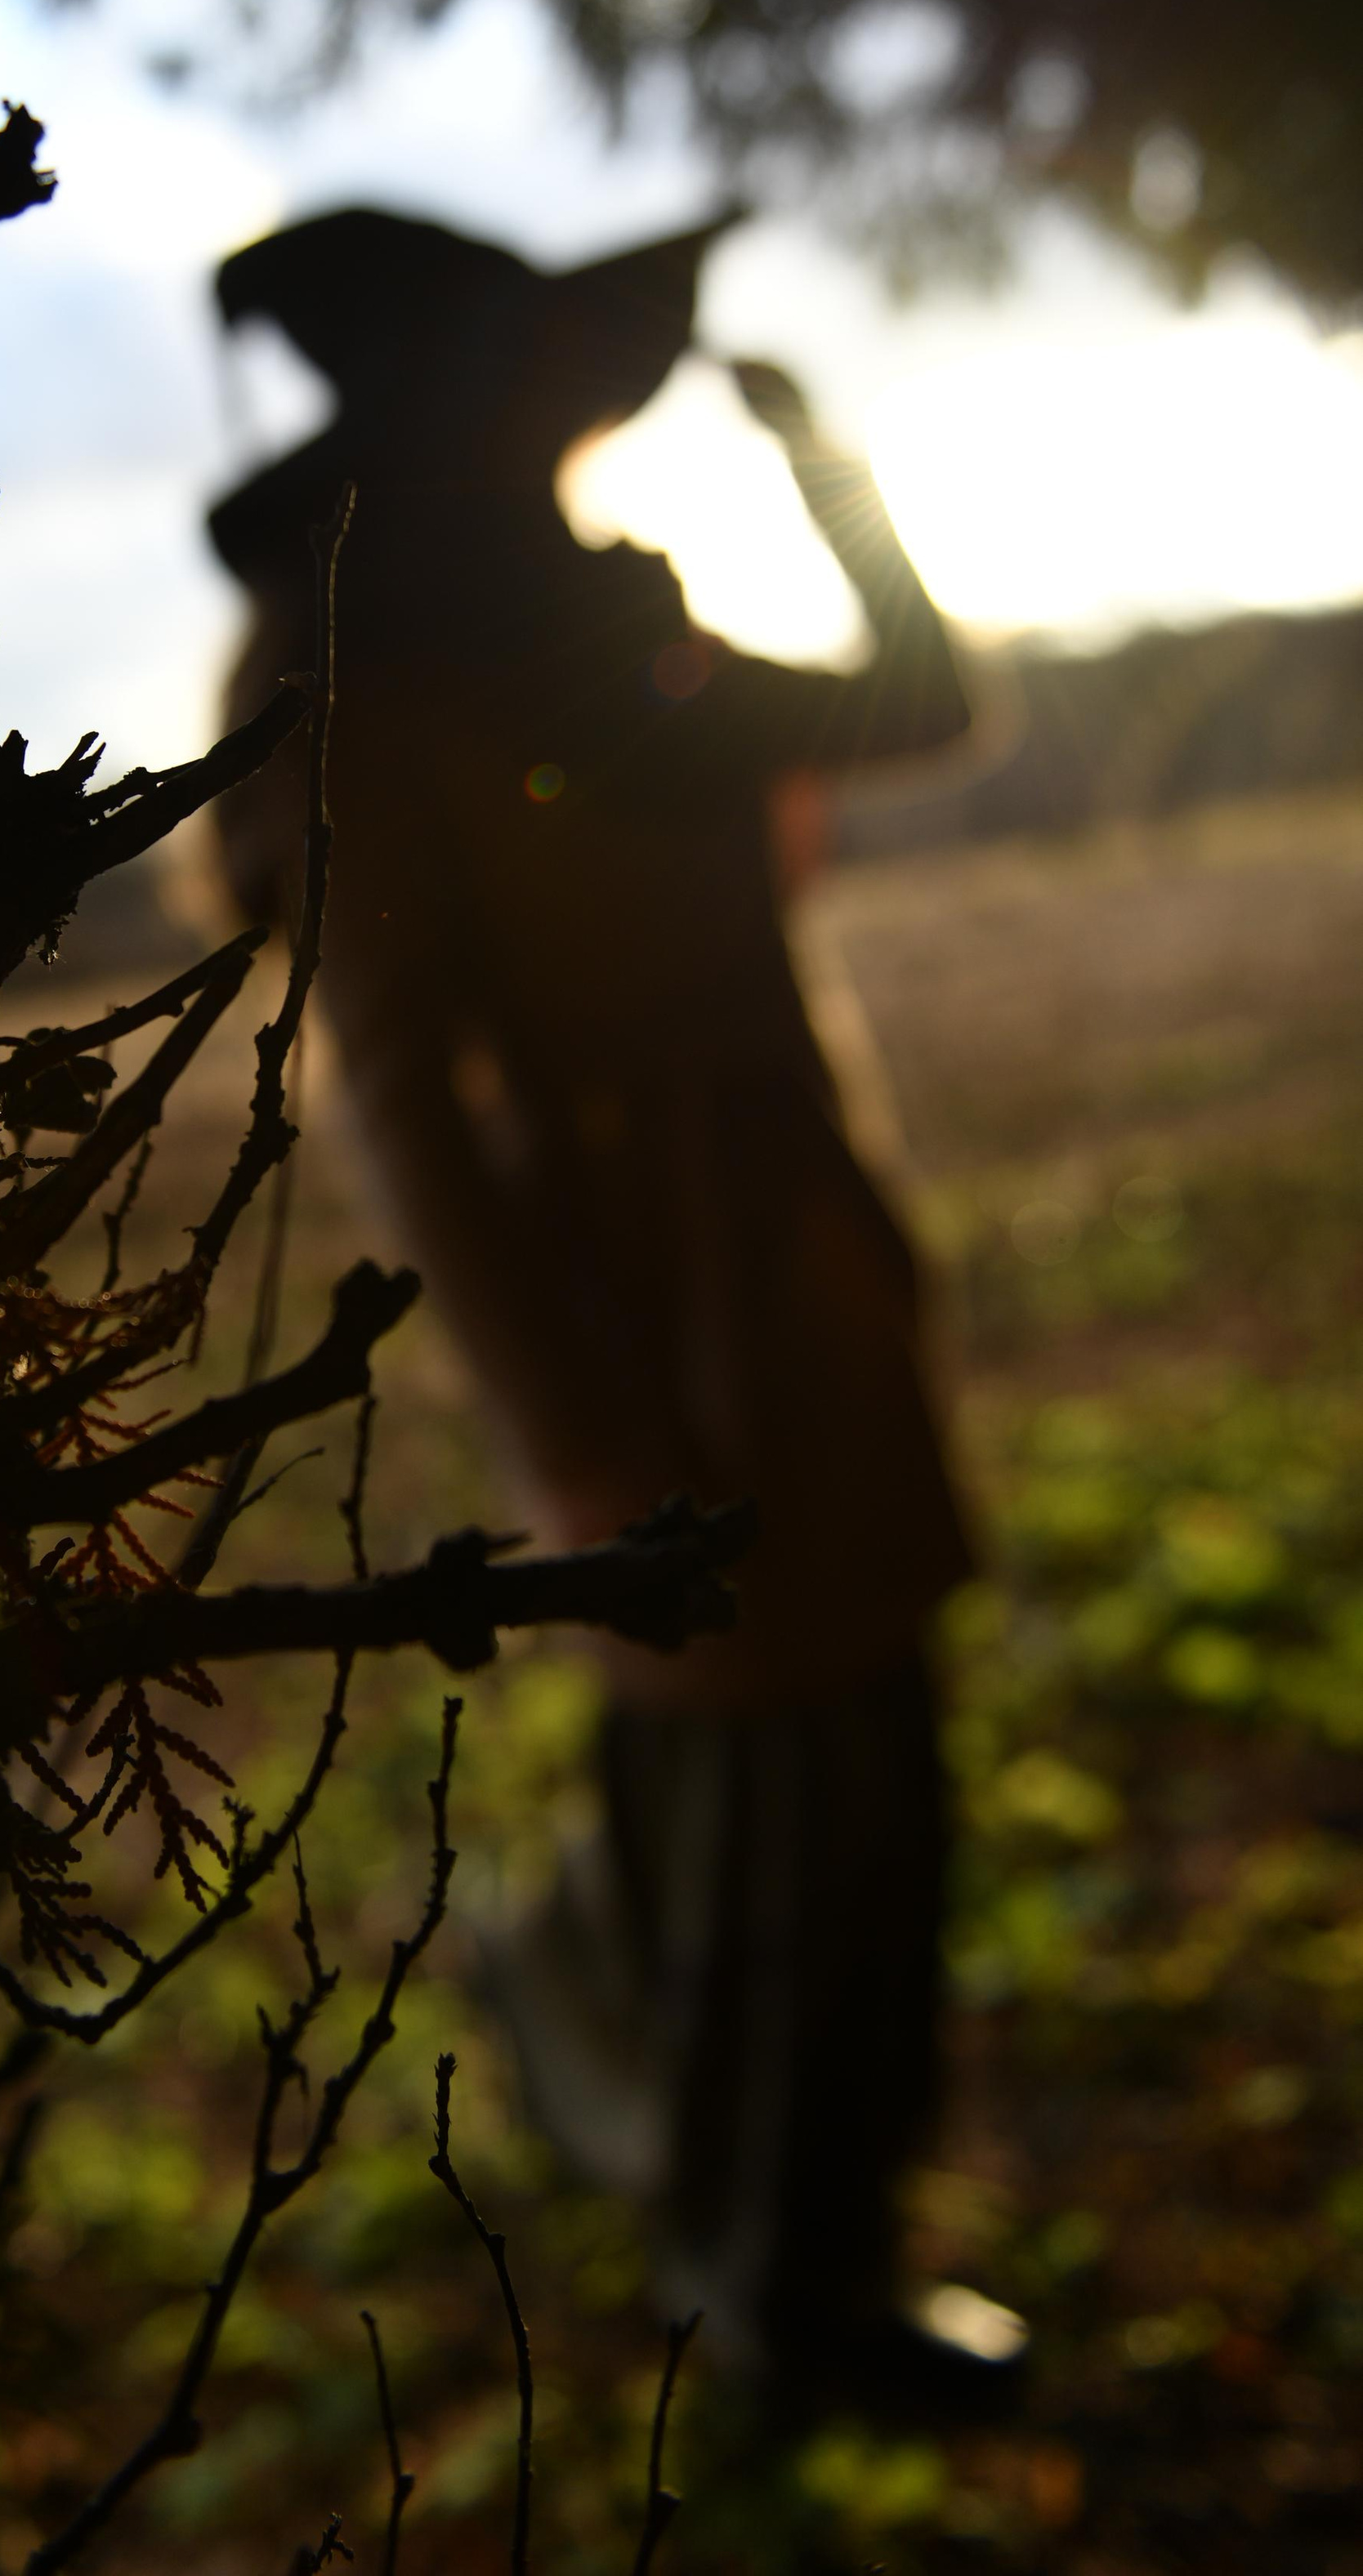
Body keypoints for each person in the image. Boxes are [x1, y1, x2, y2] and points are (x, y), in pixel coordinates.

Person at [206, 206, 1020, 2412]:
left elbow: (921, 702)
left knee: (847, 1780)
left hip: (805, 1269)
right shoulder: (339, 667)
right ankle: (778, 2294)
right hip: (656, 1321)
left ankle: (743, 2203)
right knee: (771, 1804)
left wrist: (828, 470)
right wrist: (579, 1418)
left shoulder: (604, 618)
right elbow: (404, 1090)